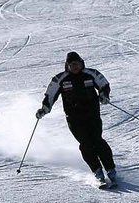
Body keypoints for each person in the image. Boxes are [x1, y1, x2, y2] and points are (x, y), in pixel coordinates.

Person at [38, 51, 117, 188]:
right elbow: (50, 95)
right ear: (67, 66)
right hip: (74, 118)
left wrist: (104, 95)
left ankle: (111, 170)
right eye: (71, 65)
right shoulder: (60, 79)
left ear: (81, 63)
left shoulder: (91, 74)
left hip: (92, 115)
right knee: (85, 143)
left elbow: (104, 84)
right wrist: (44, 109)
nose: (75, 67)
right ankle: (98, 172)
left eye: (77, 64)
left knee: (98, 141)